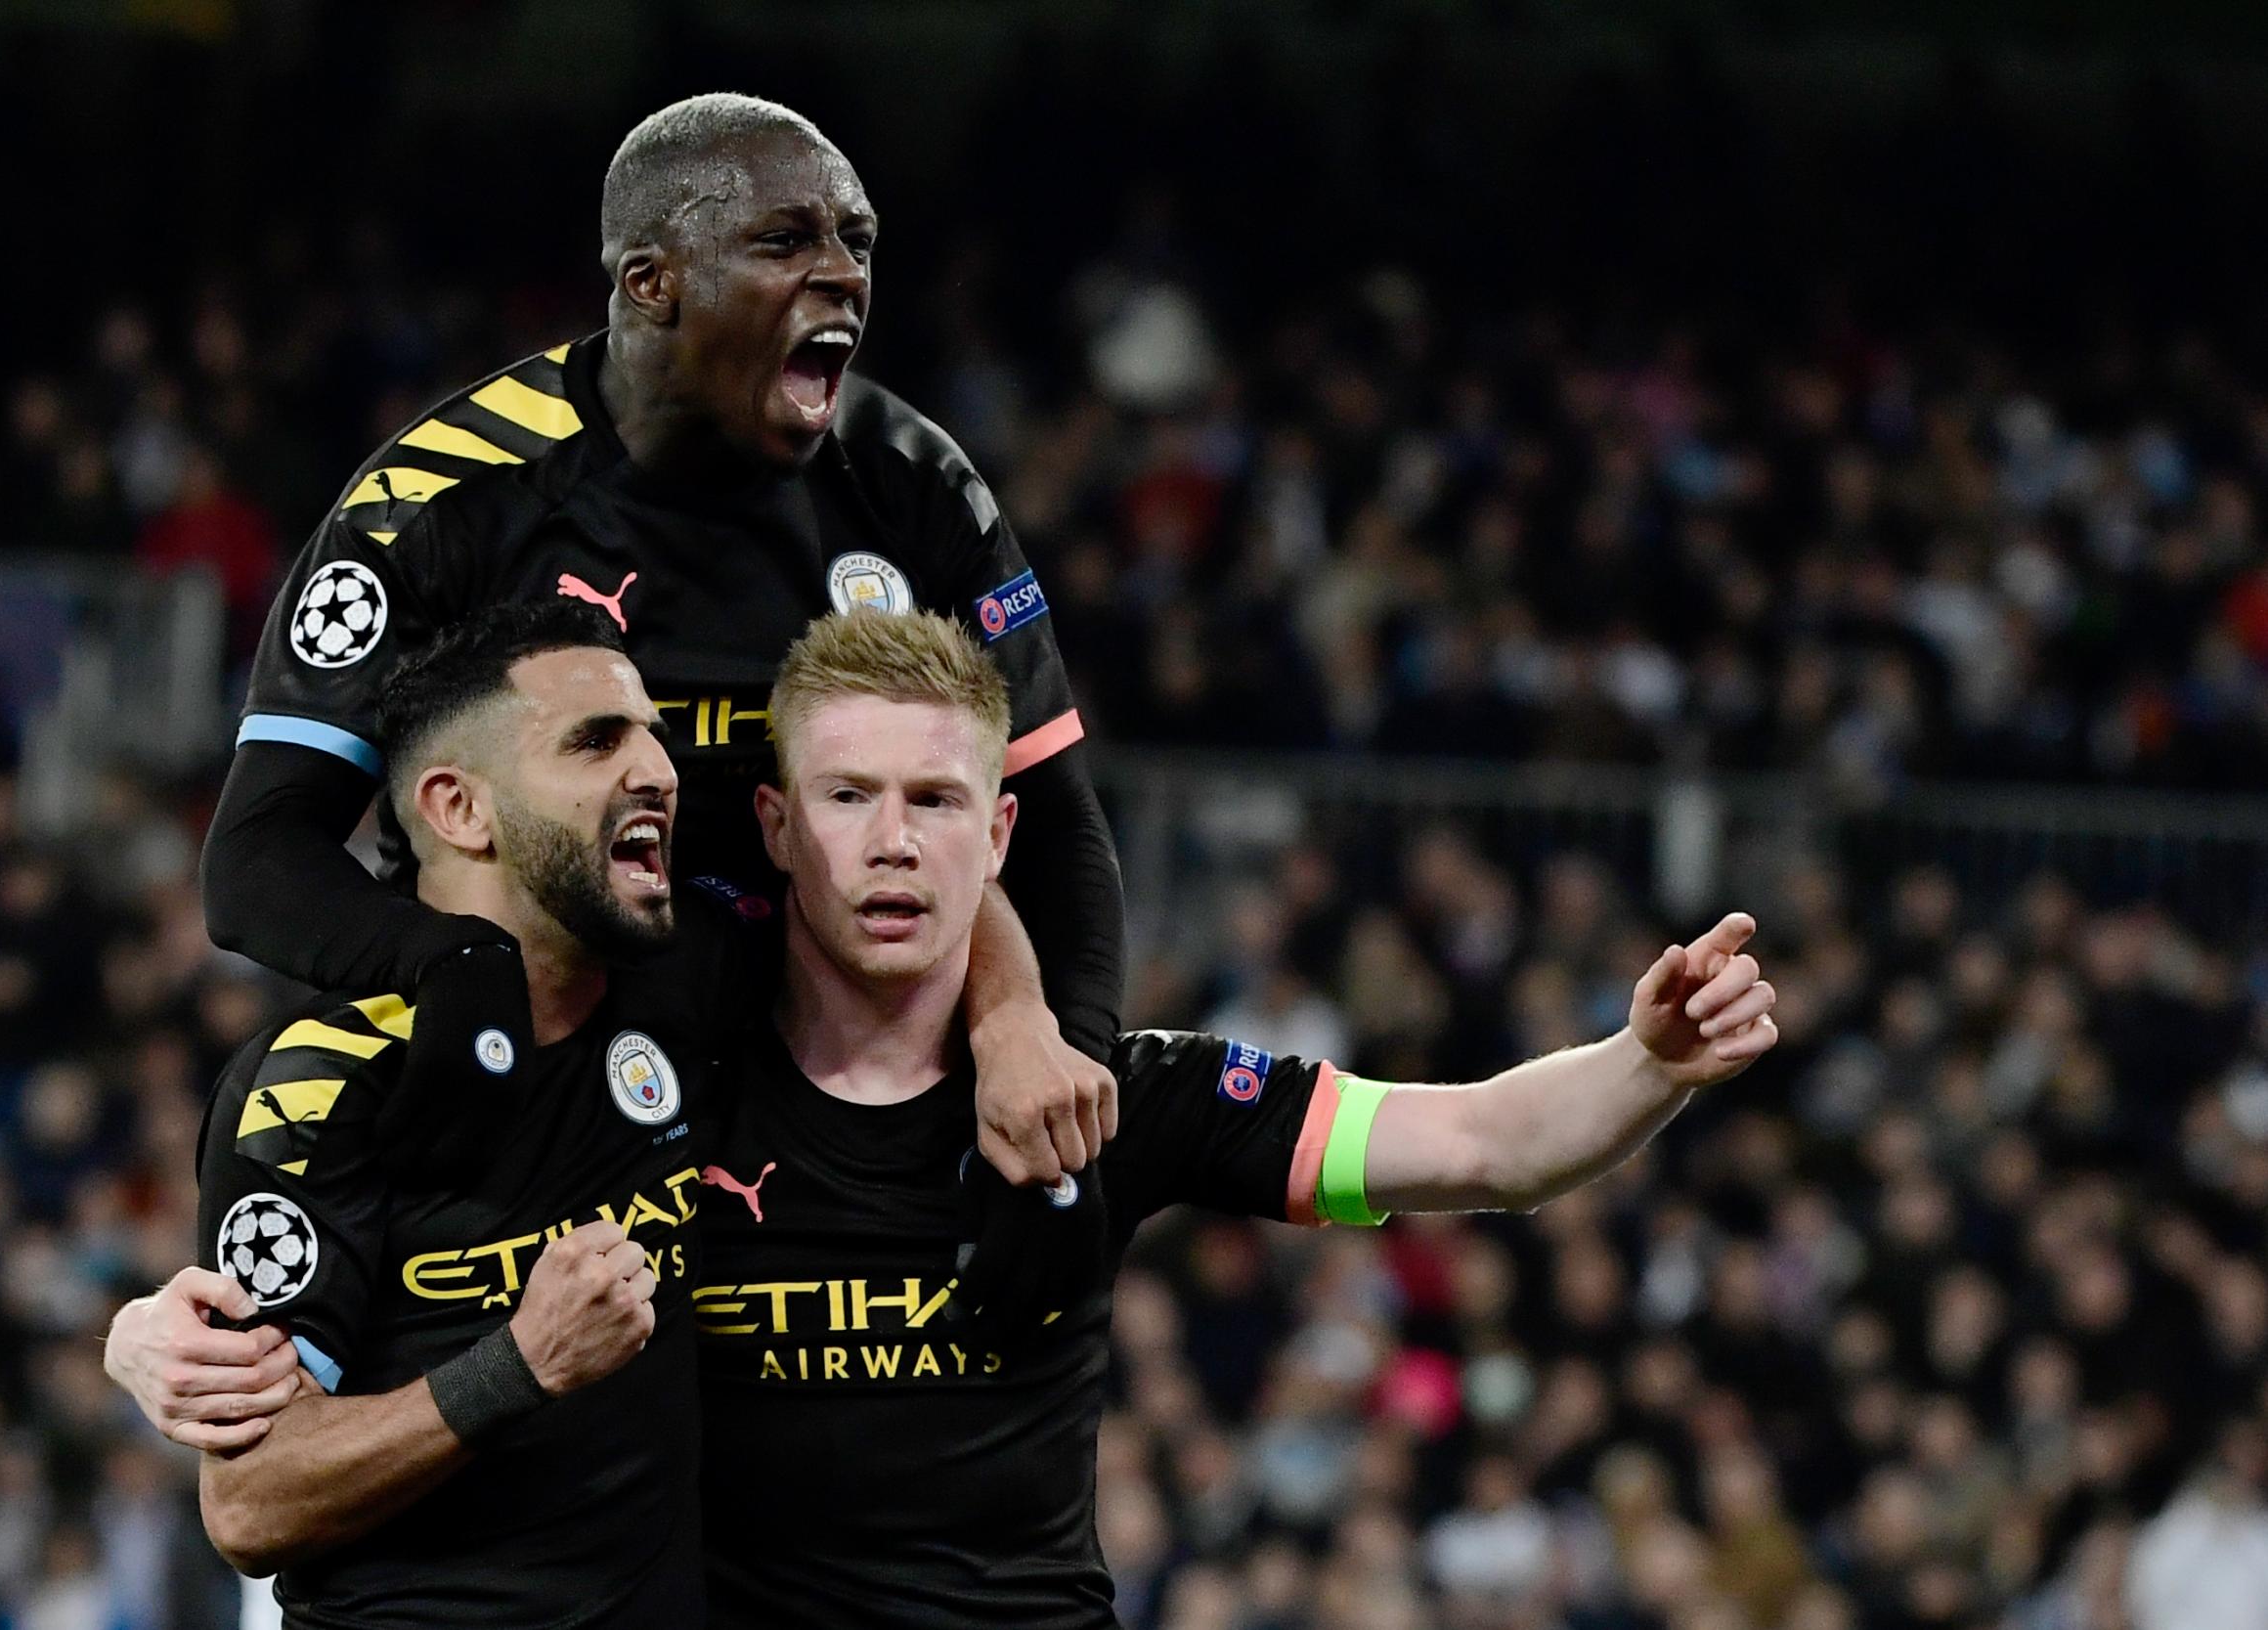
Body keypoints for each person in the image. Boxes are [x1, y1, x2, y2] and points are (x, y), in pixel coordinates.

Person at [119, 610, 1780, 1628]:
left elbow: (1482, 1143)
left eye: (937, 802)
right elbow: (352, 1239)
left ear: (1000, 834)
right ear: (774, 826)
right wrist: (141, 1330)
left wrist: (1646, 1059)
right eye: (849, 797)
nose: (894, 842)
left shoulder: (1114, 1092)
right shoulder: (665, 1049)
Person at [209, 91, 1118, 1186]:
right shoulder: (442, 501)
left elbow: (1054, 824)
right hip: (519, 1077)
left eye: (857, 241)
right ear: (652, 282)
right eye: (785, 240)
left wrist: (1061, 1093)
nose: (844, 274)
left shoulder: (911, 482)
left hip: (816, 1080)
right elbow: (259, 854)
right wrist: (455, 966)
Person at [187, 602, 803, 1626]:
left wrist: (1013, 1020)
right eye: (596, 740)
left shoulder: (678, 989)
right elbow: (249, 1502)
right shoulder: (319, 1086)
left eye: (652, 735)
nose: (658, 768)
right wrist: (518, 1364)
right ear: (459, 808)